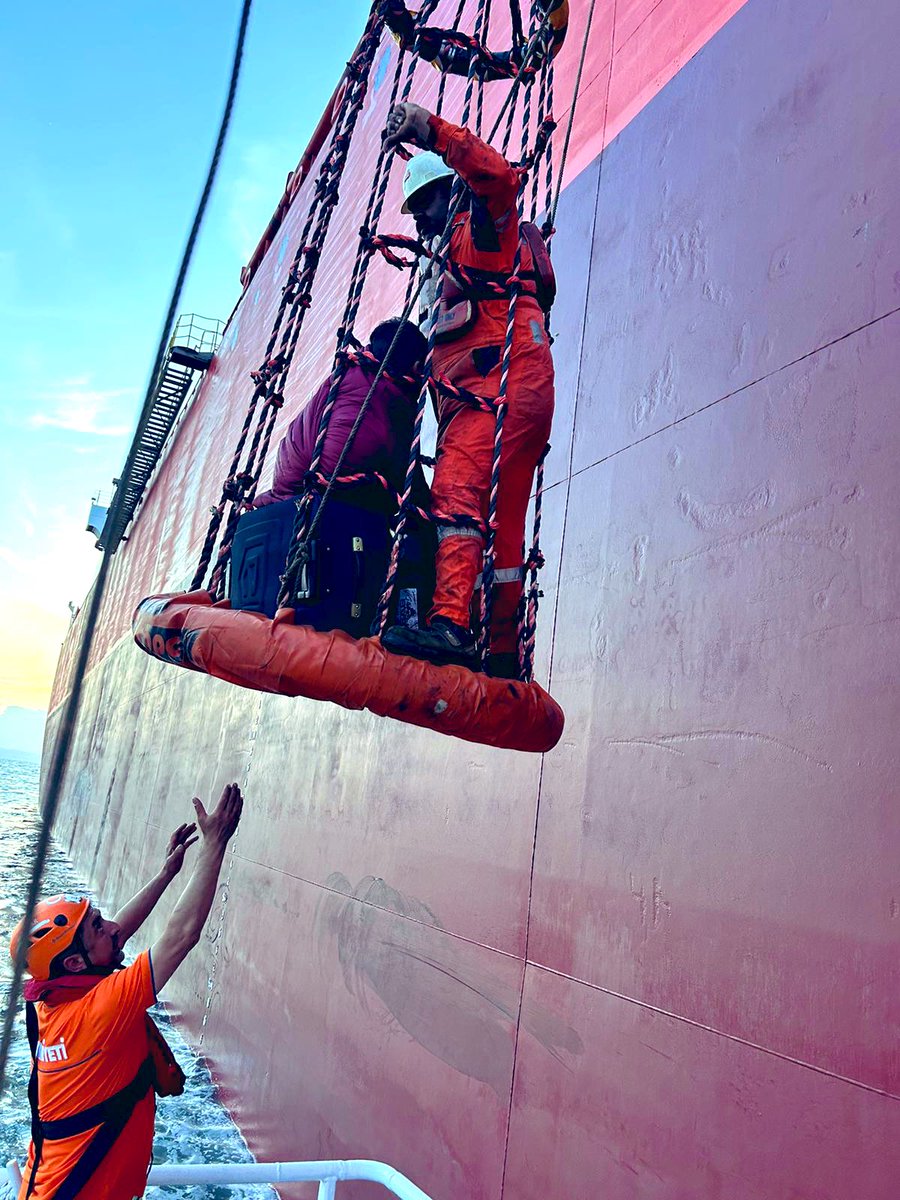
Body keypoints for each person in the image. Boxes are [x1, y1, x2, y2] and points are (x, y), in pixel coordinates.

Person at [380, 102, 555, 678]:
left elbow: (500, 178)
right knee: (504, 525)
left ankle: (452, 625)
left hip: (493, 387)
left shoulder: (480, 226)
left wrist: (431, 131)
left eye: (424, 205)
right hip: (517, 385)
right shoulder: (460, 254)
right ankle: (503, 652)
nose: (420, 222)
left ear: (447, 192)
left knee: (456, 499)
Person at [9, 783, 244, 1200]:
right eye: (97, 926)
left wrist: (166, 874)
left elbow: (113, 936)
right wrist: (215, 844)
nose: (113, 928)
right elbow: (181, 936)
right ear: (78, 963)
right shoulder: (98, 1011)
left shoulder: (53, 1002)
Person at [253, 318, 428, 509]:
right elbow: (407, 478)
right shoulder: (385, 400)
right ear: (417, 367)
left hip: (288, 494)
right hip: (317, 504)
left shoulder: (353, 371)